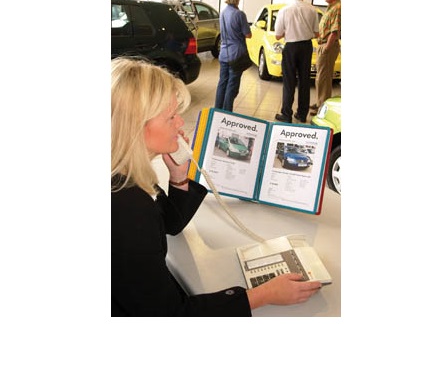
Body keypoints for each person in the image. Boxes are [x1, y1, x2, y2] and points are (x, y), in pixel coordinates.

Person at [111, 57, 322, 316]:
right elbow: (170, 314)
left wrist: (178, 175)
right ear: (135, 127)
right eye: (171, 117)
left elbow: (167, 226)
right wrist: (263, 294)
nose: (180, 123)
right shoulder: (126, 206)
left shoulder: (124, 174)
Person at [274, 0, 320, 124]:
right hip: (306, 47)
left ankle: (286, 114)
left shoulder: (284, 10)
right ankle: (301, 114)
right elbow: (317, 33)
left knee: (289, 81)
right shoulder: (312, 9)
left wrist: (289, 31)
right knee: (304, 81)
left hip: (291, 48)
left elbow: (277, 35)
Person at [214, 0, 252, 112]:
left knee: (222, 83)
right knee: (232, 86)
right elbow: (248, 34)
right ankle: (227, 113)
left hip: (223, 53)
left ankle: (217, 111)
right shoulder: (239, 14)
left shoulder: (223, 12)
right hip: (236, 55)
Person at [310, 0, 341, 116]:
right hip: (323, 44)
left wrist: (327, 48)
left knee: (323, 78)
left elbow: (334, 31)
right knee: (321, 77)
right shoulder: (331, 7)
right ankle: (320, 102)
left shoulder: (338, 8)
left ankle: (322, 107)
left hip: (328, 46)